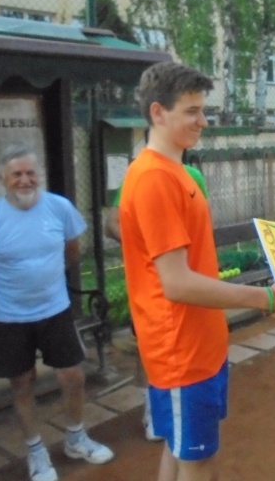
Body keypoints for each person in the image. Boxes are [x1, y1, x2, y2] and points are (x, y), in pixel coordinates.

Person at [118, 61, 275, 481]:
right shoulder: (154, 179)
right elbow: (175, 283)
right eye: (191, 111)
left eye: (202, 109)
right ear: (158, 112)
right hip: (180, 352)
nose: (203, 120)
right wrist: (269, 299)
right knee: (197, 462)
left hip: (200, 346)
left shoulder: (181, 173)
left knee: (185, 455)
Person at [0, 144, 114, 481]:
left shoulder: (60, 208)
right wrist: (1, 288)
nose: (26, 180)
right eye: (17, 174)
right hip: (10, 317)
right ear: (3, 179)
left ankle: (76, 437)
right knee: (22, 383)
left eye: (31, 173)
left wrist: (46, 279)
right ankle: (36, 452)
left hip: (55, 310)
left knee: (73, 375)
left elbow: (72, 251)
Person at [104, 158, 208, 442]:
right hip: (153, 288)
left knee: (190, 349)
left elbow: (201, 224)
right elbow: (111, 223)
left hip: (189, 282)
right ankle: (152, 411)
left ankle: (184, 404)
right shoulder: (139, 175)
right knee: (147, 349)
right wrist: (151, 243)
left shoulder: (193, 176)